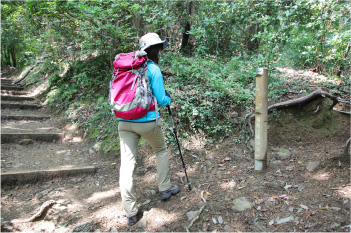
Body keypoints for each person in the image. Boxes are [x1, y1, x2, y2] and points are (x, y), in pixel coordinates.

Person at [117, 33, 180, 226]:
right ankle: (165, 188)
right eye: (160, 48)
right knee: (160, 150)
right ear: (155, 49)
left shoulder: (127, 68)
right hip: (147, 121)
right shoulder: (153, 69)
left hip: (124, 120)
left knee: (127, 165)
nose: (161, 52)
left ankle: (130, 212)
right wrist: (169, 98)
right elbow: (161, 100)